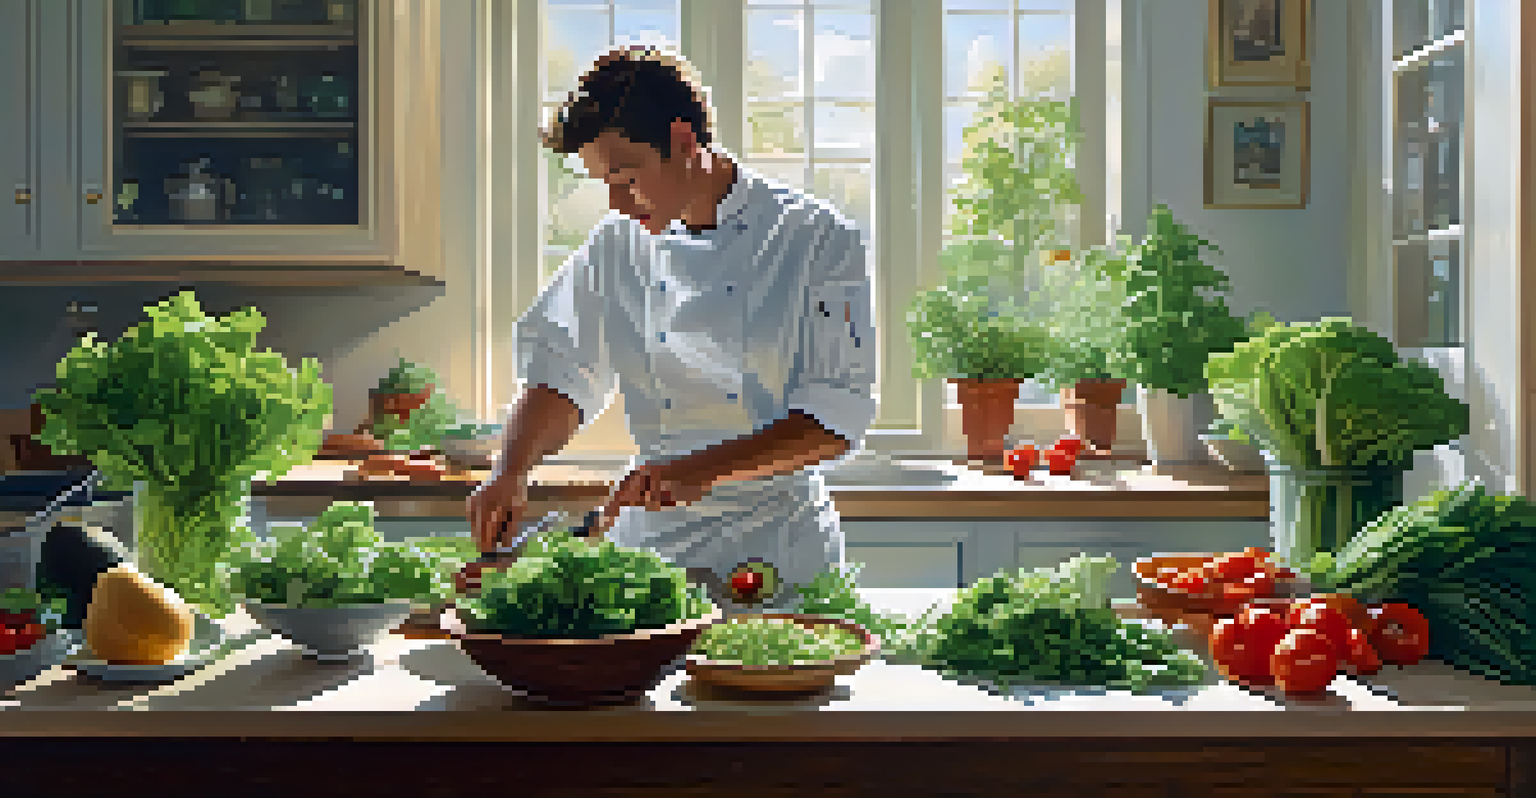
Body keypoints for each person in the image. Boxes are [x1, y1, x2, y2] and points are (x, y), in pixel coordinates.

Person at [462, 45, 876, 612]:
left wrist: (698, 471)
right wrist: (511, 470)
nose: (616, 202)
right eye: (604, 183)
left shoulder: (815, 238)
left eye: (627, 179)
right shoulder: (617, 245)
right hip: (649, 547)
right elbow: (561, 370)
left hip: (774, 548)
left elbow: (836, 415)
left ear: (684, 141)